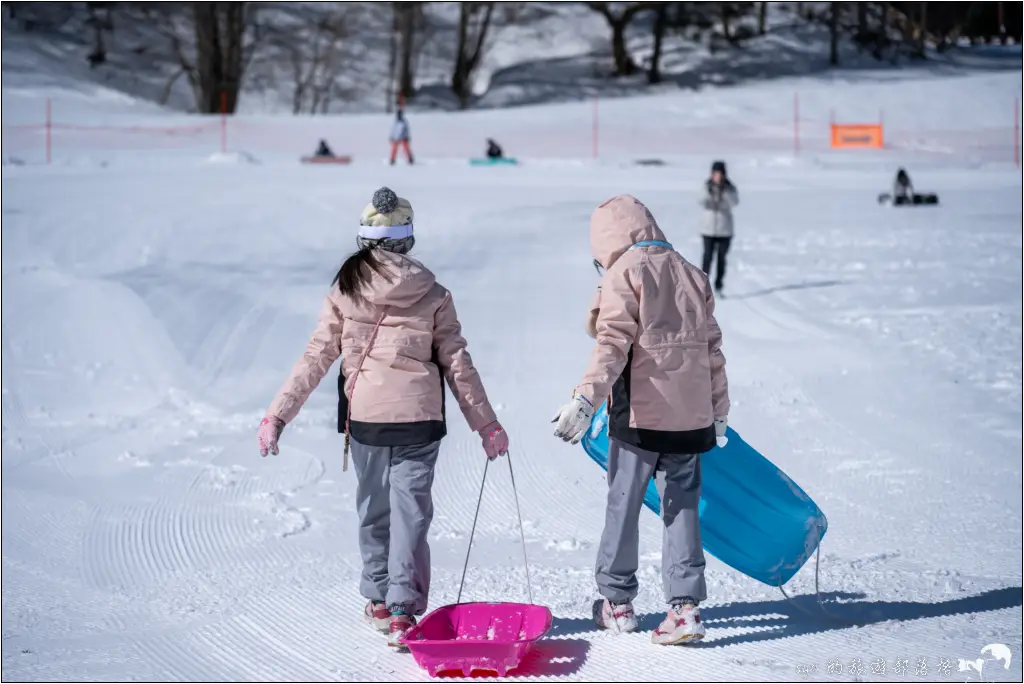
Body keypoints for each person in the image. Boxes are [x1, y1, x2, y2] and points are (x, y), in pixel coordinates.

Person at [257, 187, 508, 647]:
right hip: (419, 419)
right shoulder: (433, 292)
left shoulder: (345, 289)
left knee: (374, 508)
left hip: (368, 419)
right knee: (410, 513)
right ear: (408, 239)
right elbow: (457, 363)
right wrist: (486, 424)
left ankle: (377, 597)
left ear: (363, 238)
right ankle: (402, 612)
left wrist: (278, 415)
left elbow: (316, 357)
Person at [553, 194, 729, 646]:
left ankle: (617, 602)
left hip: (640, 417)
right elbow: (713, 351)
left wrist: (584, 400)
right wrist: (719, 411)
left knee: (624, 504)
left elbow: (611, 346)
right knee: (682, 508)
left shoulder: (623, 274)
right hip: (691, 420)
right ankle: (685, 608)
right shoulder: (692, 272)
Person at [699, 160, 739, 294]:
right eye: (715, 173)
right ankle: (703, 285)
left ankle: (719, 285)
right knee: (707, 257)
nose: (717, 176)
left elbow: (734, 202)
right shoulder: (706, 186)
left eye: (720, 173)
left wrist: (725, 192)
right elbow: (700, 200)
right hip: (708, 228)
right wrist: (710, 192)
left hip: (724, 229)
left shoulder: (730, 188)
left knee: (721, 258)